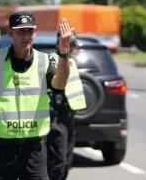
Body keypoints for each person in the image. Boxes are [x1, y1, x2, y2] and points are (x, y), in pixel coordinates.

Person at [0, 11, 73, 180]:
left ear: (35, 32)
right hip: (1, 150)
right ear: (10, 33)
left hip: (34, 149)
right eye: (20, 31)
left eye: (29, 31)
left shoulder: (45, 61)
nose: (26, 36)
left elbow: (60, 84)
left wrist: (64, 52)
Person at [47, 32, 87, 180]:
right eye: (69, 44)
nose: (72, 48)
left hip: (69, 117)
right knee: (57, 161)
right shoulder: (53, 59)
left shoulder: (71, 61)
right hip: (55, 115)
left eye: (74, 45)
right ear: (59, 44)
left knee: (66, 162)